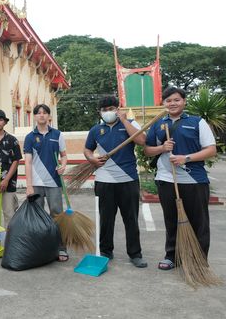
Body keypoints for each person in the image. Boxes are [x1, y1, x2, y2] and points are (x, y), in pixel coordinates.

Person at [144, 87, 217, 271]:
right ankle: (172, 256)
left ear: (184, 101)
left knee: (198, 222)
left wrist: (186, 158)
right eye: (168, 101)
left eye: (176, 100)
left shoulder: (197, 122)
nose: (172, 103)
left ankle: (199, 260)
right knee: (171, 220)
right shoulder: (158, 123)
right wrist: (162, 148)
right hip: (166, 180)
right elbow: (147, 150)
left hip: (194, 180)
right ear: (164, 104)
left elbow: (211, 150)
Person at [84, 96, 147, 268]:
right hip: (104, 180)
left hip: (128, 180)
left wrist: (125, 121)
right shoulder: (96, 129)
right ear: (100, 112)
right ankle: (105, 251)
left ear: (118, 109)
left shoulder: (131, 124)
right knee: (106, 219)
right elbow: (87, 149)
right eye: (104, 110)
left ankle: (135, 253)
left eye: (111, 108)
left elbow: (141, 141)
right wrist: (92, 159)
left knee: (131, 219)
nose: (108, 112)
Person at [23, 104, 69, 262]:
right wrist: (29, 185)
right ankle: (40, 248)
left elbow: (64, 155)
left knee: (57, 214)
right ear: (35, 116)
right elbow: (27, 162)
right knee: (38, 216)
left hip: (54, 182)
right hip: (36, 183)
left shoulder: (57, 134)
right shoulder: (30, 137)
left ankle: (61, 248)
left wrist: (63, 165)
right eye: (38, 113)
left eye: (44, 113)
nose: (41, 115)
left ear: (49, 116)